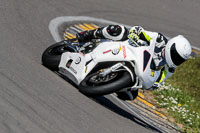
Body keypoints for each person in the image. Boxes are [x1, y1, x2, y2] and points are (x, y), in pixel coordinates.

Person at [76, 25, 192, 100]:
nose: (176, 59)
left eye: (180, 60)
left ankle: (109, 81)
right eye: (176, 55)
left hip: (138, 69)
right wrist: (135, 33)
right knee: (118, 30)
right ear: (170, 46)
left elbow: (160, 79)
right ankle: (88, 35)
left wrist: (155, 85)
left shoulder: (170, 68)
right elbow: (140, 30)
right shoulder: (159, 39)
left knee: (131, 95)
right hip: (129, 48)